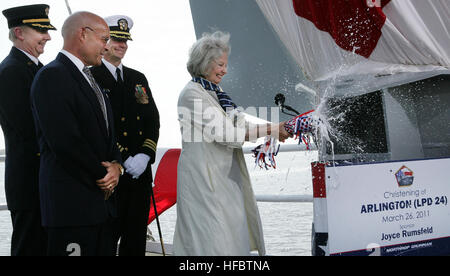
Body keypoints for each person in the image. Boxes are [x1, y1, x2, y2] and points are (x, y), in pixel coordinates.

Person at [173, 31, 292, 256]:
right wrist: (271, 128)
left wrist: (277, 128)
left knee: (231, 240)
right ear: (205, 63)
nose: (225, 70)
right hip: (204, 179)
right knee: (210, 241)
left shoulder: (216, 92)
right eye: (220, 64)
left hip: (225, 178)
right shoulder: (192, 95)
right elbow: (227, 134)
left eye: (226, 65)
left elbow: (242, 125)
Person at [30, 11, 123, 256]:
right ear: (83, 34)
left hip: (100, 210)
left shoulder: (91, 80)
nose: (106, 47)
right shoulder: (53, 76)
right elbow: (65, 141)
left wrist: (117, 166)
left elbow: (107, 136)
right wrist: (104, 176)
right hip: (72, 208)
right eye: (104, 39)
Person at [91, 15, 160, 256]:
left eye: (125, 41)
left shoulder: (137, 78)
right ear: (104, 42)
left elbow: (152, 120)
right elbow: (97, 126)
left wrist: (145, 155)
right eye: (115, 40)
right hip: (110, 173)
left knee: (135, 239)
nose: (122, 45)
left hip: (140, 174)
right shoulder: (91, 76)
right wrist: (123, 157)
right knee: (105, 240)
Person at [0, 4, 56, 256]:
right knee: (29, 247)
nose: (48, 36)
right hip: (29, 179)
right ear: (20, 33)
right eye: (40, 30)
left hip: (43, 176)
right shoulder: (11, 71)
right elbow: (28, 129)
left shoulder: (36, 68)